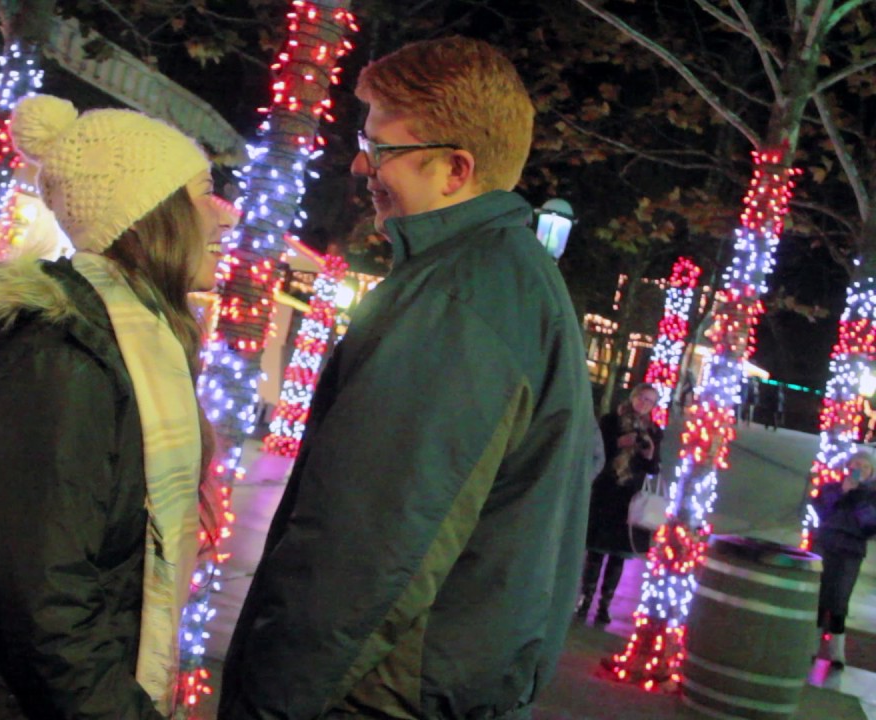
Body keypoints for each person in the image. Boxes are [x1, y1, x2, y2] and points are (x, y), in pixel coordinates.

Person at [219, 36, 596, 719]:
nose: (362, 163)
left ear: (455, 168)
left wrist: (269, 702)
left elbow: (365, 551)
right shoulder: (513, 286)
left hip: (378, 694)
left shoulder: (458, 302)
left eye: (382, 148)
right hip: (440, 683)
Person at [0, 95, 229, 719]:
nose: (225, 217)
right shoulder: (61, 356)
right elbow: (47, 599)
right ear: (150, 213)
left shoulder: (140, 343)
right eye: (205, 193)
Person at [577, 383, 664, 625]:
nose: (644, 404)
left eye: (650, 401)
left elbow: (654, 469)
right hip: (606, 492)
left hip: (630, 500)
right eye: (642, 398)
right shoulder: (610, 422)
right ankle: (585, 600)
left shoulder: (654, 432)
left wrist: (649, 455)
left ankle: (605, 605)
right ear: (633, 397)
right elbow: (595, 451)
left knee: (618, 556)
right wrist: (618, 443)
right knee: (596, 551)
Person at [812, 450, 876, 669]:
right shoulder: (831, 488)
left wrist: (858, 500)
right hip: (825, 546)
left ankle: (837, 653)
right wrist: (842, 493)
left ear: (870, 473)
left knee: (839, 599)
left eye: (864, 467)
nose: (858, 470)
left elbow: (870, 527)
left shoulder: (872, 496)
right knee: (819, 597)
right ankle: (812, 647)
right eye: (855, 465)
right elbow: (822, 511)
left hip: (850, 552)